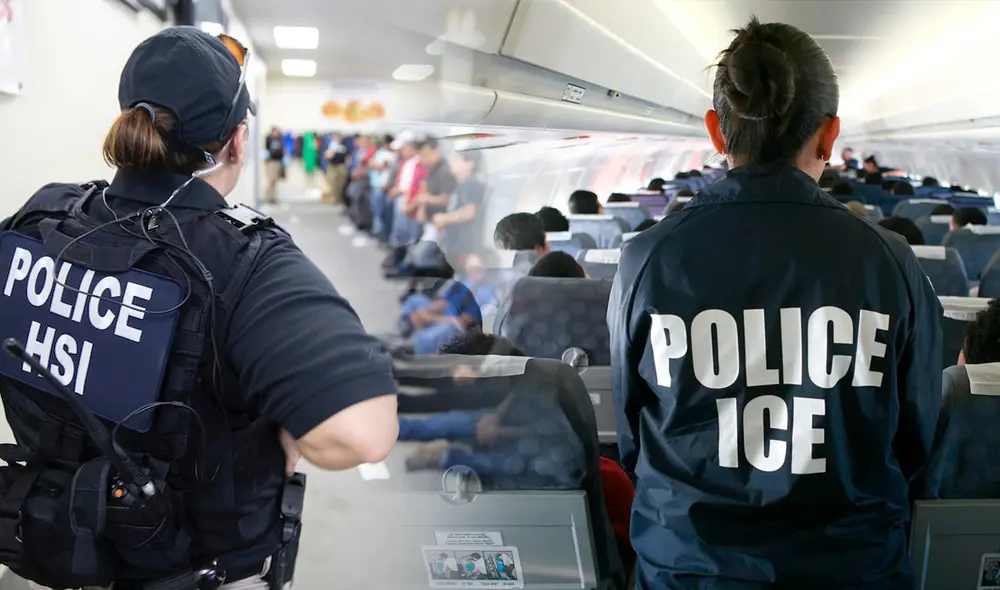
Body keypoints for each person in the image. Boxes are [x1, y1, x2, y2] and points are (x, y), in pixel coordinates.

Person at [0, 27, 399, 589]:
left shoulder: (46, 212)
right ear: (237, 141)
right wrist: (291, 430)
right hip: (191, 567)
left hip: (56, 541)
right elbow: (363, 434)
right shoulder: (248, 261)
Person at [608, 17, 941, 589]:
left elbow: (636, 432)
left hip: (691, 570)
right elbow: (915, 438)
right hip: (851, 569)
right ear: (829, 135)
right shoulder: (890, 262)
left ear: (716, 131)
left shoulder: (647, 259)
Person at [431, 150, 487, 261]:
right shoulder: (461, 183)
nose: (452, 162)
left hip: (465, 246)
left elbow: (469, 212)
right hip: (454, 243)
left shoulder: (472, 184)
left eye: (457, 160)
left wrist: (444, 219)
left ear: (470, 164)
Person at [414, 139, 459, 244]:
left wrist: (427, 199)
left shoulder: (444, 171)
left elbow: (446, 199)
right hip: (430, 218)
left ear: (436, 151)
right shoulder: (431, 168)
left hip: (440, 221)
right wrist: (422, 208)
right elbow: (427, 189)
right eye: (422, 155)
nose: (424, 158)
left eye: (427, 154)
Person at [368, 133, 397, 241]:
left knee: (382, 211)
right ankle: (378, 231)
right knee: (377, 209)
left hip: (383, 186)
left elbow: (380, 166)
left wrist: (376, 165)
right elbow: (371, 162)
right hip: (377, 184)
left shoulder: (391, 155)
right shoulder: (381, 152)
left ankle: (381, 232)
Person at [324, 132, 348, 205]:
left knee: (341, 183)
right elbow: (327, 156)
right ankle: (334, 198)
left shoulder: (343, 146)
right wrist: (333, 150)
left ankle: (339, 198)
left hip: (341, 166)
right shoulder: (331, 145)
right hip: (333, 166)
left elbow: (347, 157)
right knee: (332, 183)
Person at [263, 126, 284, 204]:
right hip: (271, 161)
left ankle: (273, 197)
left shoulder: (280, 139)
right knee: (271, 180)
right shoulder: (269, 139)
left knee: (275, 180)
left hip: (278, 161)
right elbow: (267, 149)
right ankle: (268, 196)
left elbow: (282, 150)